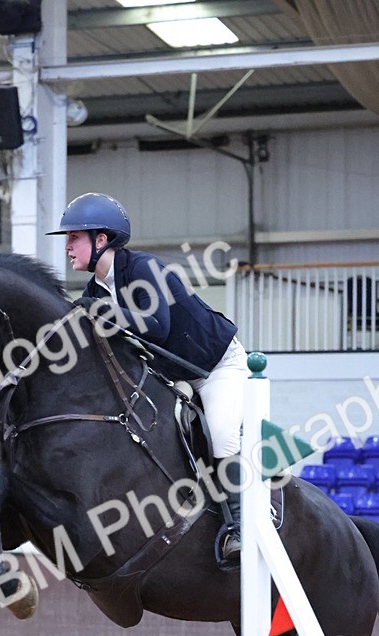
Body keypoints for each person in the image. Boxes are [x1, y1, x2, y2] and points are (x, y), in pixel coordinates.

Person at [48, 192, 246, 563]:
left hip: (217, 367)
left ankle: (241, 527)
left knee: (219, 433)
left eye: (74, 238)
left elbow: (157, 326)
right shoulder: (95, 290)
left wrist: (106, 311)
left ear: (101, 240)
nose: (68, 247)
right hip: (176, 374)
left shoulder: (142, 269)